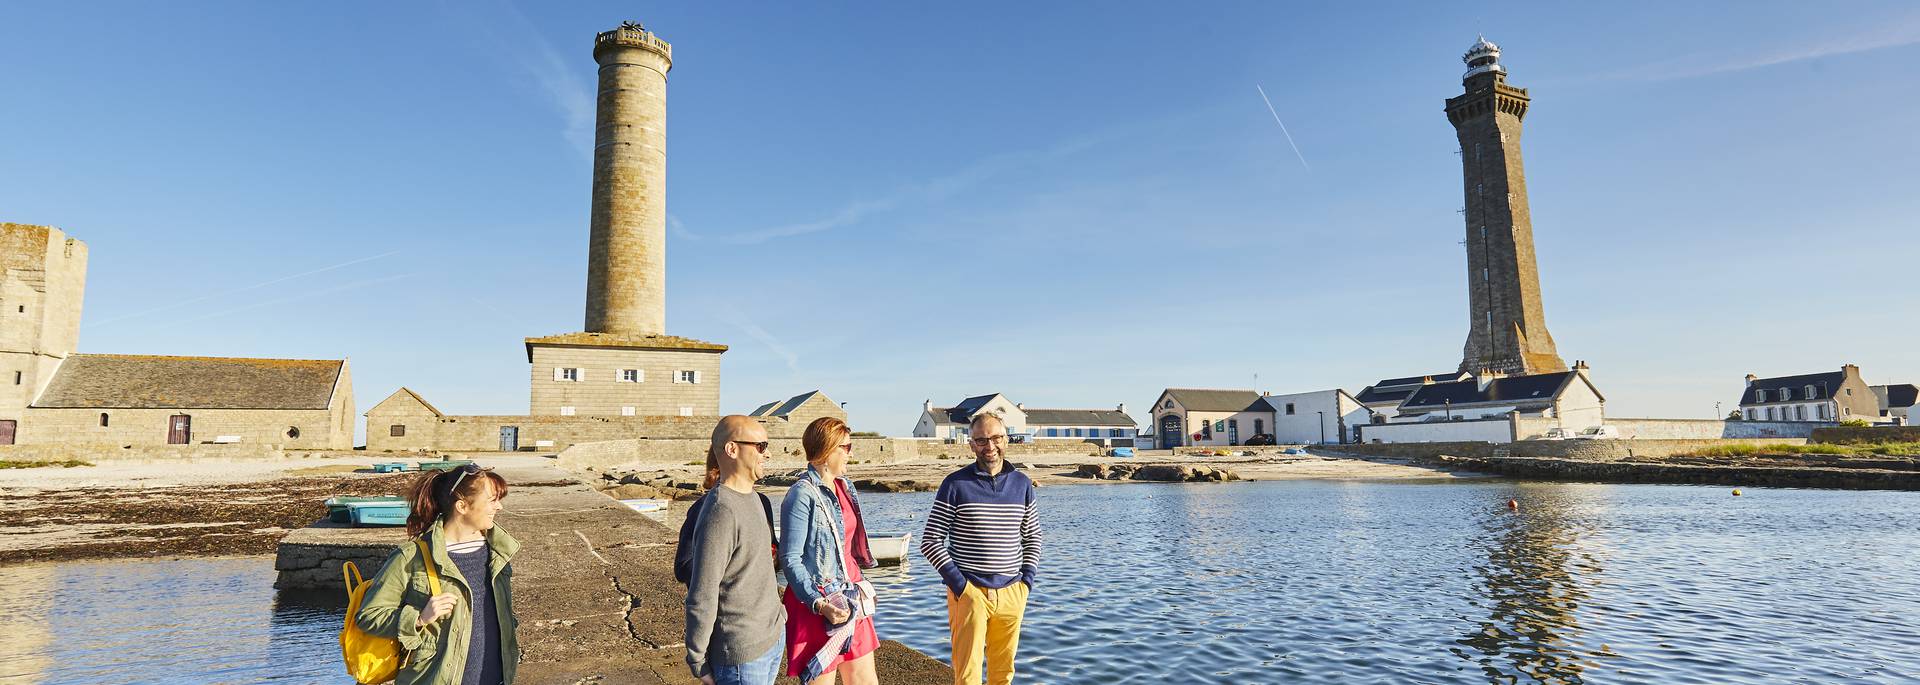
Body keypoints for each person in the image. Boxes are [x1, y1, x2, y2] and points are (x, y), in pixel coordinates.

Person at [357, 463, 520, 685]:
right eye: (492, 500)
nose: (499, 507)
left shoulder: (497, 553)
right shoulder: (410, 557)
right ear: (462, 506)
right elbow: (369, 616)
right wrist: (418, 618)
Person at [920, 412, 1041, 685]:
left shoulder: (1022, 484)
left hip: (1012, 592)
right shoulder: (955, 484)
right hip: (970, 594)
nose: (990, 446)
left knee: (1003, 674)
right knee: (968, 675)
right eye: (982, 440)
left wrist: (1026, 583)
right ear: (972, 444)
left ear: (1006, 439)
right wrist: (962, 588)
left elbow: (1032, 536)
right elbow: (930, 541)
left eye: (996, 438)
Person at [779, 417, 880, 685]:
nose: (851, 453)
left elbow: (846, 547)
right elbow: (790, 559)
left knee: (864, 680)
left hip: (850, 598)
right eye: (846, 447)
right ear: (827, 450)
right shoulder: (801, 495)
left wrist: (862, 583)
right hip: (819, 605)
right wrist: (819, 603)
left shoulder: (846, 487)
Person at [685, 416, 785, 685]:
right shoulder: (721, 510)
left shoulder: (754, 498)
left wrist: (779, 616)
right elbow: (702, 592)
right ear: (732, 449)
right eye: (761, 446)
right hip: (742, 656)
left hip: (771, 638)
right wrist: (697, 659)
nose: (768, 454)